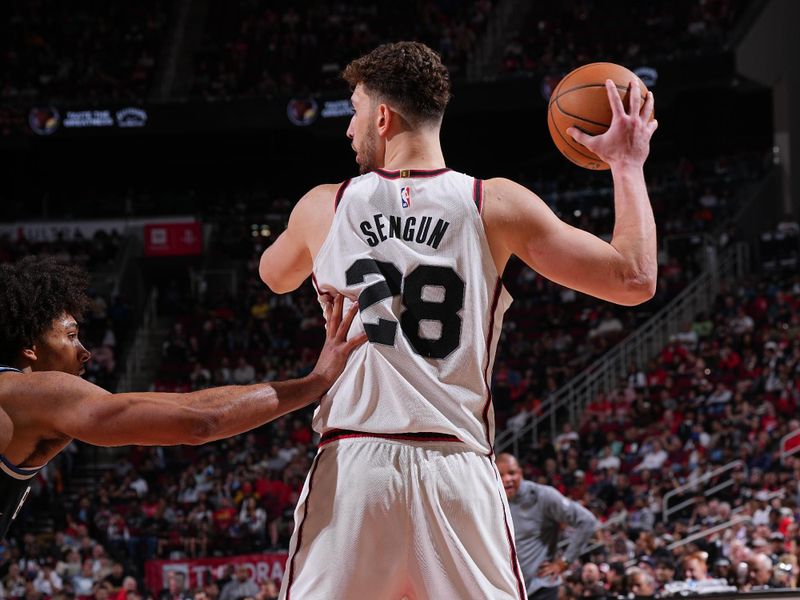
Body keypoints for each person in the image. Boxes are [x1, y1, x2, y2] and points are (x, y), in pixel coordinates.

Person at [259, 41, 657, 599]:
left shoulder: (324, 205)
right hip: (456, 465)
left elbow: (272, 275)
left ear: (381, 116)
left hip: (355, 466)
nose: (348, 131)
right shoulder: (495, 202)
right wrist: (627, 163)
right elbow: (634, 279)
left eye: (352, 113)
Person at [0, 256, 366, 540]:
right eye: (70, 336)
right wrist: (314, 382)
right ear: (30, 349)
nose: (85, 352)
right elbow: (198, 419)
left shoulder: (22, 402)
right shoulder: (31, 392)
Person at [496, 453, 599, 600]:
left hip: (541, 588)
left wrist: (564, 561)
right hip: (513, 592)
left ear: (520, 472)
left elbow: (587, 521)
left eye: (512, 473)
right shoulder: (495, 502)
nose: (507, 479)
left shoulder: (543, 495)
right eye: (501, 475)